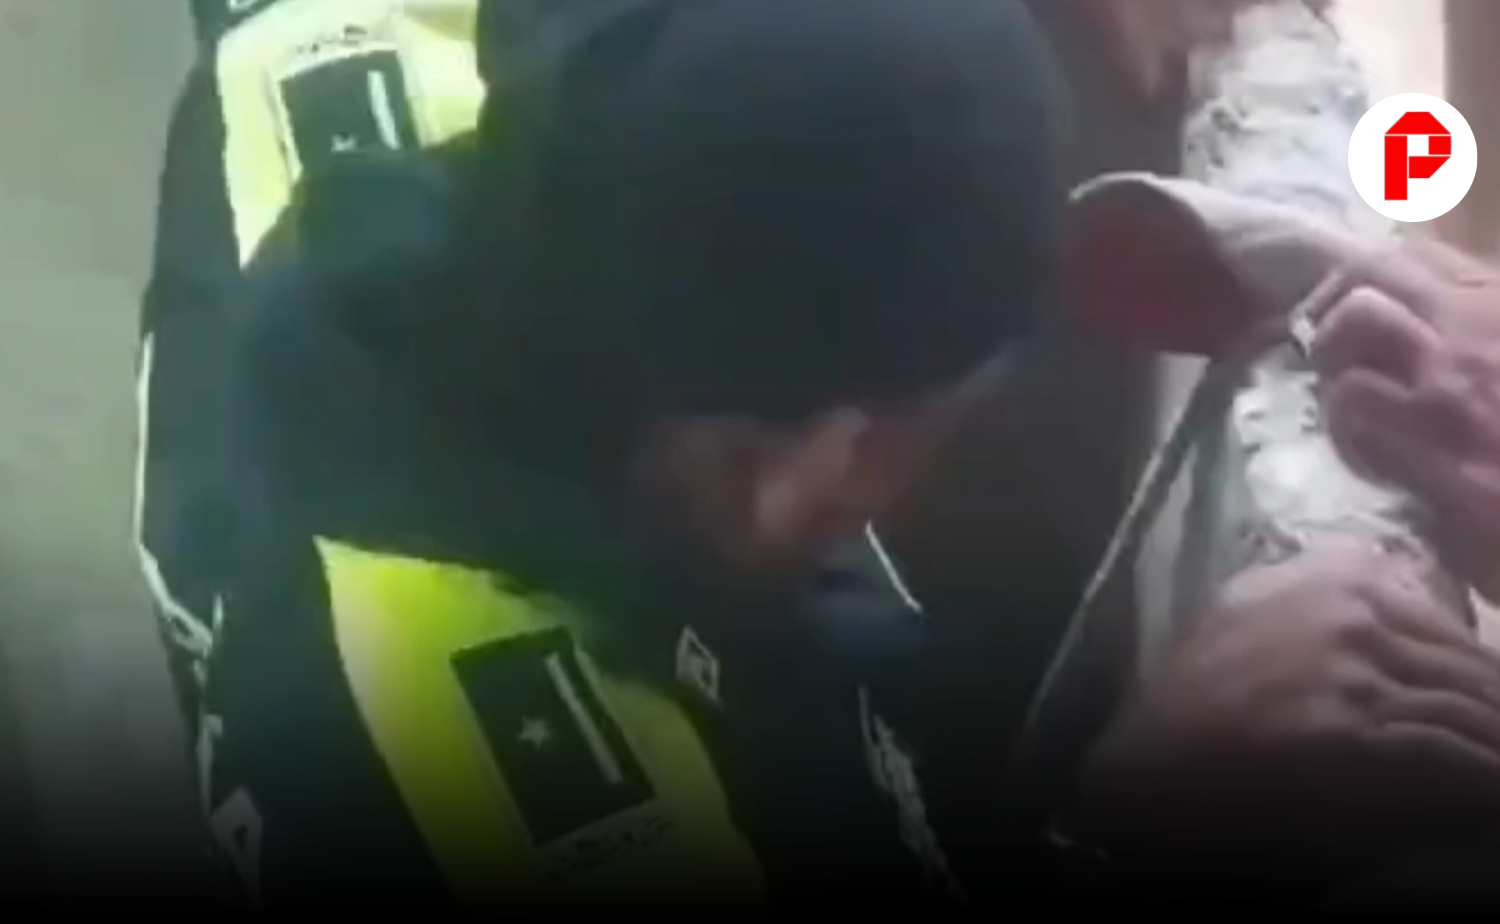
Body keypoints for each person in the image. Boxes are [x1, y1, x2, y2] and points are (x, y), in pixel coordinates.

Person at [143, 0, 1500, 910]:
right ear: (803, 479)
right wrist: (1128, 820)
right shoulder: (542, 797)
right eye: (941, 424)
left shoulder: (447, 96)